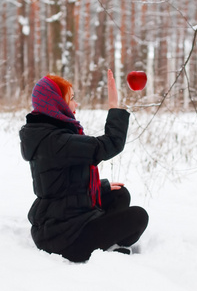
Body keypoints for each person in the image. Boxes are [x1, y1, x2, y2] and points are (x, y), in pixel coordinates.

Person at [19, 69, 148, 263]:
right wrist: (114, 106)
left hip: (59, 219)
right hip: (65, 238)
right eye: (71, 98)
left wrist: (101, 187)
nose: (76, 104)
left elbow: (62, 181)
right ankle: (96, 248)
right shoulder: (56, 140)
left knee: (119, 194)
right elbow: (109, 143)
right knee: (138, 217)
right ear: (57, 103)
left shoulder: (47, 134)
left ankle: (103, 237)